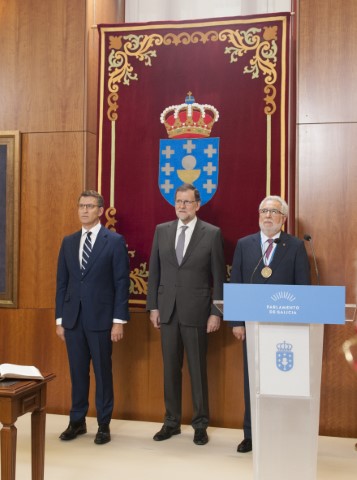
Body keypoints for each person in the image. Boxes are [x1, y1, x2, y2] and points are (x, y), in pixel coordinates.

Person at [146, 183, 225, 446]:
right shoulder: (161, 230)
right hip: (167, 311)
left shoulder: (212, 233)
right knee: (170, 369)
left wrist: (216, 312)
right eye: (178, 201)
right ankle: (171, 422)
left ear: (198, 205)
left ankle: (200, 424)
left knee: (197, 371)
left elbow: (219, 277)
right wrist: (154, 307)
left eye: (187, 202)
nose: (182, 206)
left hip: (197, 312)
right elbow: (154, 272)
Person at [230, 195, 310, 453]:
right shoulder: (245, 244)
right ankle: (250, 434)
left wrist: (300, 325)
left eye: (273, 212)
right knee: (252, 381)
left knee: (282, 381)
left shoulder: (296, 246)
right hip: (252, 326)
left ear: (283, 219)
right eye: (263, 210)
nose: (267, 215)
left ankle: (281, 433)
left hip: (284, 328)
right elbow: (237, 284)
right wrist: (237, 322)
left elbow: (303, 287)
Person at [55, 190, 130, 445]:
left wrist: (118, 320)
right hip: (73, 320)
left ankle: (103, 424)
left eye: (90, 206)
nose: (84, 210)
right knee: (77, 373)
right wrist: (60, 320)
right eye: (81, 206)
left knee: (102, 372)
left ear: (100, 211)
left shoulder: (114, 241)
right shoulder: (68, 241)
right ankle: (77, 421)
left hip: (102, 320)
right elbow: (62, 283)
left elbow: (122, 283)